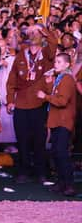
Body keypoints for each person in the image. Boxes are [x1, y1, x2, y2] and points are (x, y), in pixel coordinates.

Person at [6, 25, 57, 183]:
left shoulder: (47, 53)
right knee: (22, 140)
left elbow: (54, 44)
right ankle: (23, 171)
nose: (33, 34)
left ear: (41, 35)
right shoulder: (21, 55)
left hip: (39, 104)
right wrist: (9, 100)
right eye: (31, 32)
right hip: (21, 104)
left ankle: (41, 172)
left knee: (39, 140)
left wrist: (43, 30)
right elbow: (11, 80)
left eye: (36, 32)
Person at [34, 53, 77, 196]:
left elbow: (62, 101)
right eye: (56, 62)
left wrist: (45, 96)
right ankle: (61, 183)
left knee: (61, 153)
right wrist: (48, 84)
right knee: (57, 153)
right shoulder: (60, 79)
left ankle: (69, 184)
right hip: (58, 120)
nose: (55, 64)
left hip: (63, 120)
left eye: (59, 62)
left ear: (67, 65)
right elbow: (57, 95)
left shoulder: (67, 79)